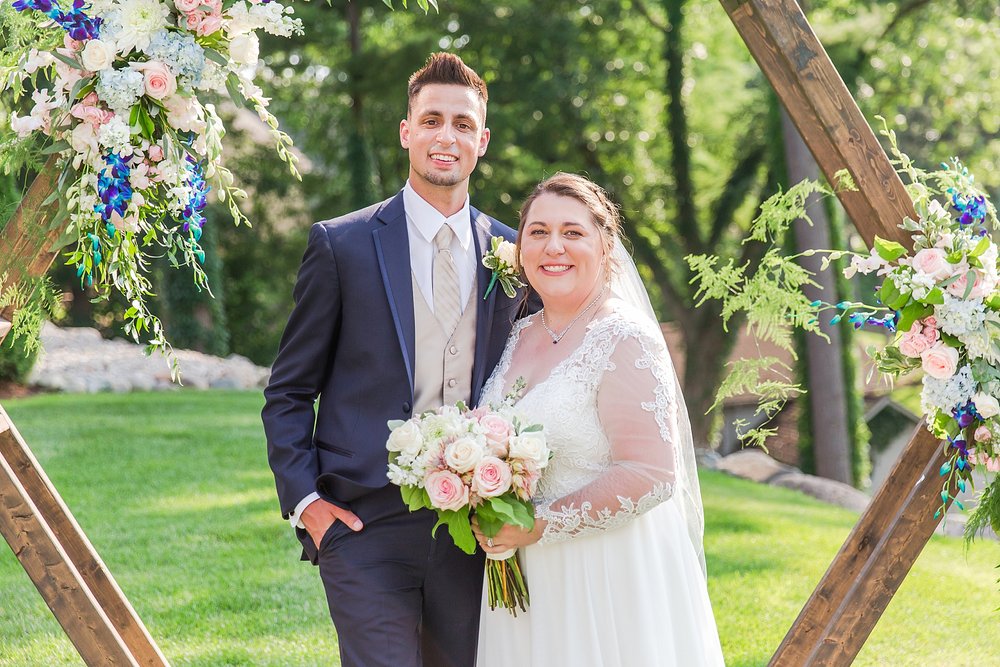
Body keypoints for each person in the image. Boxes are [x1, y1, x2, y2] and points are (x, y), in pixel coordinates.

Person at [261, 52, 528, 667]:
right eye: (431, 119)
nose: (446, 135)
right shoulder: (342, 244)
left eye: (463, 124)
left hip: (476, 528)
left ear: (481, 141)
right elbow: (289, 391)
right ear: (407, 131)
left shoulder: (514, 256)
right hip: (362, 521)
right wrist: (308, 506)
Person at [472, 173, 725, 666]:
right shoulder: (519, 333)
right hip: (527, 575)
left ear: (606, 247)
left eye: (573, 232)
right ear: (520, 247)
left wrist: (540, 523)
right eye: (538, 232)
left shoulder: (626, 338)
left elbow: (652, 476)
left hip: (608, 574)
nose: (554, 247)